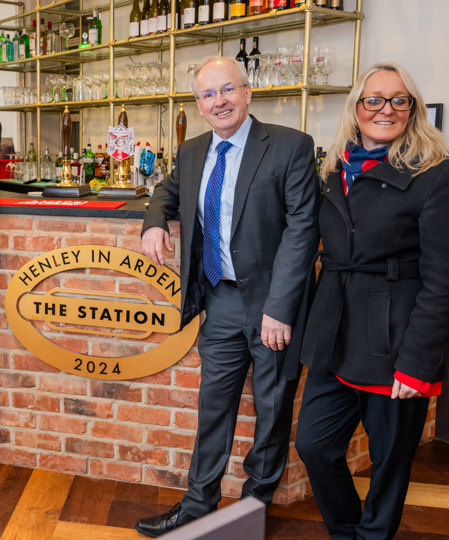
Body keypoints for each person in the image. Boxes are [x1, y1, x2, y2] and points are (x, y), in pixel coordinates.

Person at [136, 56, 320, 537]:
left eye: (227, 90)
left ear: (247, 92)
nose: (218, 101)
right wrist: (155, 222)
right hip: (218, 300)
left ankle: (252, 508)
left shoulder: (289, 146)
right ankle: (198, 505)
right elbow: (165, 192)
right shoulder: (193, 150)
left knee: (272, 404)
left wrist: (279, 308)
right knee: (213, 404)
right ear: (197, 104)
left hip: (273, 304)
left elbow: (303, 231)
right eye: (207, 95)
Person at [295, 63, 449, 540]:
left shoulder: (441, 175)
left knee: (389, 463)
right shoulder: (334, 168)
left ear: (412, 110)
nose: (385, 109)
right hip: (334, 333)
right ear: (356, 108)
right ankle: (348, 532)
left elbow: (444, 281)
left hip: (394, 341)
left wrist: (418, 364)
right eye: (373, 99)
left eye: (398, 100)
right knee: (314, 445)